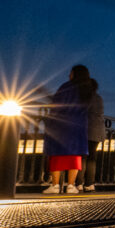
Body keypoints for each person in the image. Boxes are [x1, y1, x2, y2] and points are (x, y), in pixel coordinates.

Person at [43, 65, 94, 195]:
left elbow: (57, 105)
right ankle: (71, 185)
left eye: (70, 73)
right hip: (78, 125)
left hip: (62, 124)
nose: (68, 75)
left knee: (56, 155)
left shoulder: (66, 87)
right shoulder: (87, 89)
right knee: (74, 155)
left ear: (74, 74)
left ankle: (55, 186)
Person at [76, 78, 104, 192]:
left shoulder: (86, 97)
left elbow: (81, 111)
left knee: (83, 157)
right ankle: (90, 184)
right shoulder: (99, 98)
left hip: (87, 130)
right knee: (92, 158)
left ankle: (79, 183)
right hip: (98, 131)